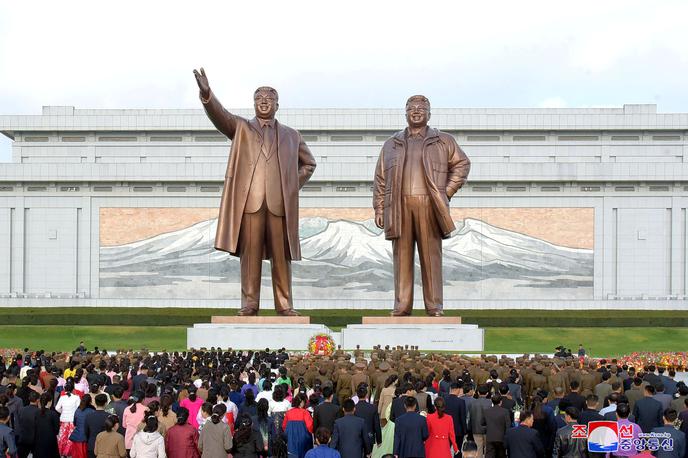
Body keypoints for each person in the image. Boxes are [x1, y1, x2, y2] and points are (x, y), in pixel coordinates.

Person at [193, 68, 317, 317]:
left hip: (279, 204)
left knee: (282, 257)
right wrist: (207, 94)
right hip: (250, 203)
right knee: (249, 257)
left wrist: (291, 186)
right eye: (259, 98)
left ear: (277, 105)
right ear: (254, 103)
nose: (264, 102)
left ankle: (284, 305)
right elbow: (220, 116)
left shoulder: (292, 136)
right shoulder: (241, 128)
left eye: (269, 99)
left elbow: (309, 164)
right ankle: (250, 303)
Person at [373, 94, 470, 316]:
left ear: (429, 113)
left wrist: (446, 192)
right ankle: (401, 306)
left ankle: (434, 306)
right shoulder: (391, 144)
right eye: (411, 108)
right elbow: (380, 179)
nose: (416, 111)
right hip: (398, 206)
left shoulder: (443, 140)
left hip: (429, 205)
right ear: (405, 112)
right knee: (402, 258)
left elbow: (462, 164)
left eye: (421, 108)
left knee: (431, 257)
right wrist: (379, 208)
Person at [55, 378, 81, 457]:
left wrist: (62, 412)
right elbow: (78, 409)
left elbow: (57, 408)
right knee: (71, 437)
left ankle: (62, 452)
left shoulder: (62, 397)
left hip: (64, 419)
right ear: (73, 389)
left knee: (63, 436)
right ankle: (69, 452)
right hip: (73, 420)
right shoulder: (77, 397)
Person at [283, 393, 313, 458]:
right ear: (302, 402)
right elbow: (310, 427)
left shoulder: (288, 412)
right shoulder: (305, 413)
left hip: (291, 441)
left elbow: (284, 427)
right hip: (303, 442)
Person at [442, 381, 468, 454]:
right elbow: (462, 417)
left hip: (446, 429)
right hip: (458, 431)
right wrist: (465, 430)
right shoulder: (461, 402)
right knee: (458, 450)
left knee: (445, 450)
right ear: (457, 389)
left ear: (450, 389)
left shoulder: (444, 400)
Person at [481, 394, 510, 458]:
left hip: (490, 437)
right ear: (501, 402)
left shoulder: (486, 411)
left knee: (489, 455)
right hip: (501, 438)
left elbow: (482, 423)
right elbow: (508, 425)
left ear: (492, 401)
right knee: (501, 454)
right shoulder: (505, 411)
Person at [354, 384, 382, 449]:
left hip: (357, 437)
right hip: (369, 436)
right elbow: (377, 425)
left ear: (357, 395)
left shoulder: (354, 408)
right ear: (366, 395)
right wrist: (379, 440)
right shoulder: (373, 407)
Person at [34, 392, 60, 458]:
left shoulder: (36, 413)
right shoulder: (53, 414)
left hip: (38, 440)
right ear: (50, 402)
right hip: (50, 441)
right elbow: (57, 430)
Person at [85, 394, 111, 458]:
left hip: (92, 444)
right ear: (105, 403)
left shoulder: (88, 416)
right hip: (106, 446)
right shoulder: (109, 416)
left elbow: (86, 432)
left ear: (95, 403)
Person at [16, 390, 40, 458]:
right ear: (37, 400)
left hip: (23, 438)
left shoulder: (21, 410)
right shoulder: (39, 412)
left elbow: (19, 422)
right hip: (35, 439)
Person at [71, 394, 95, 458]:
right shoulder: (92, 411)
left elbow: (74, 423)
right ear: (90, 402)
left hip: (76, 436)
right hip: (85, 438)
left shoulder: (77, 410)